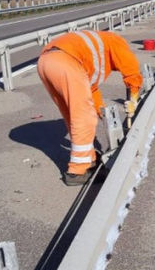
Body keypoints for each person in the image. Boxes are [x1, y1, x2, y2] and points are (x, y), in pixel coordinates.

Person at [37, 30, 142, 186]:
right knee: (85, 118)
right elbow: (131, 69)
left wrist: (102, 112)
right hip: (65, 62)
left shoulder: (92, 52)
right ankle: (77, 172)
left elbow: (91, 90)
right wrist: (134, 97)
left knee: (73, 114)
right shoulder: (115, 42)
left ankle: (90, 160)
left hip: (45, 62)